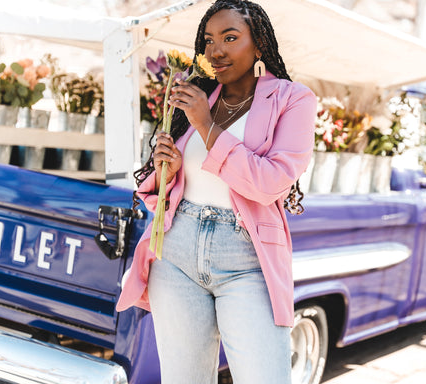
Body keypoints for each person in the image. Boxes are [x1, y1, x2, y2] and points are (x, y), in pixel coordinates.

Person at [116, 0, 317, 383]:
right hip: (176, 254)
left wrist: (207, 128)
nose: (216, 50)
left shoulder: (293, 99)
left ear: (259, 44)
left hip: (247, 257)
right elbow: (169, 190)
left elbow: (269, 183)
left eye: (230, 37)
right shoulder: (199, 96)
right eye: (209, 40)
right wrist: (168, 171)